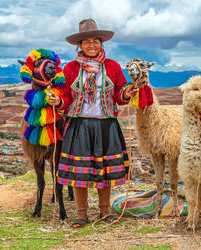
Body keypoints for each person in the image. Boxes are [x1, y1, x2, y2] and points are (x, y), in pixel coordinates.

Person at [48, 19, 137, 228]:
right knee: (81, 172)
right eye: (86, 42)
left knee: (104, 170)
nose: (91, 45)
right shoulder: (70, 69)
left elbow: (119, 95)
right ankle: (81, 214)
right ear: (80, 45)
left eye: (95, 41)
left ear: (101, 43)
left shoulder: (113, 67)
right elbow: (65, 97)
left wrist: (127, 92)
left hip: (106, 125)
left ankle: (105, 212)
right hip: (79, 126)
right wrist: (58, 100)